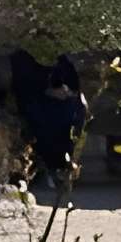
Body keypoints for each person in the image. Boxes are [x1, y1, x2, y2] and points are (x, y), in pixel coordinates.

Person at [8, 42, 86, 187]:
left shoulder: (60, 59)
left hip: (60, 103)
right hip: (37, 103)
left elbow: (71, 80)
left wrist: (67, 91)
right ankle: (51, 165)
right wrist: (48, 91)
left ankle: (64, 164)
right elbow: (24, 87)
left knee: (72, 113)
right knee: (47, 121)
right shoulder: (23, 58)